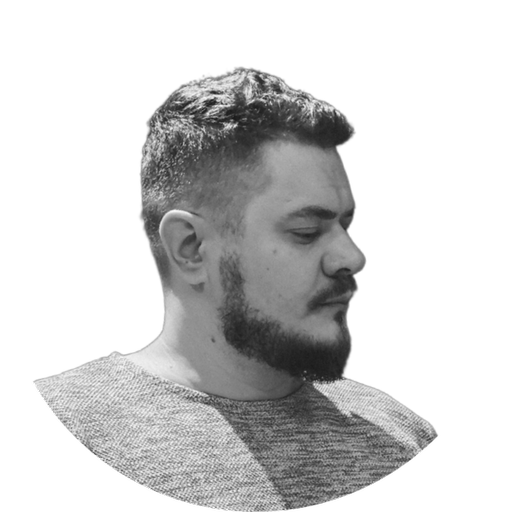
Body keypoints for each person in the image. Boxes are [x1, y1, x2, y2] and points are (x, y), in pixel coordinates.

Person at [33, 68, 437, 509]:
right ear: (190, 248)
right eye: (305, 231)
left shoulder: (400, 437)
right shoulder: (73, 423)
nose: (352, 258)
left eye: (345, 225)